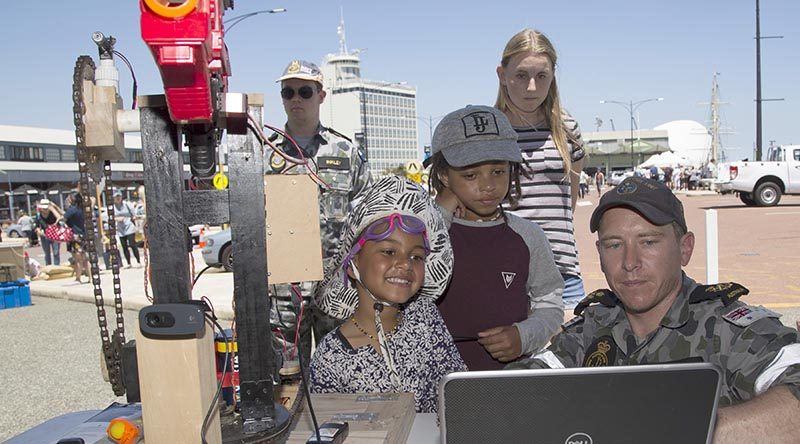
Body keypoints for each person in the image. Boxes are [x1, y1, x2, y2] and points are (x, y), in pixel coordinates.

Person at [508, 176, 800, 442]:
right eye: (613, 245)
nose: (630, 262)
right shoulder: (591, 329)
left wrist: (688, 431)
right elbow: (510, 391)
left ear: (684, 248)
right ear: (599, 254)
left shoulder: (728, 330)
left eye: (648, 242)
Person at [310, 176, 465, 413]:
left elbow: (458, 394)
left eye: (416, 256)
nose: (405, 264)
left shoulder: (424, 318)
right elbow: (328, 428)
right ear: (352, 265)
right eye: (389, 251)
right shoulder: (331, 356)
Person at [428, 105, 564, 370]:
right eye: (470, 175)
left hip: (507, 383)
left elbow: (550, 306)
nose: (488, 184)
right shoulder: (424, 232)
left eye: (498, 171)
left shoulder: (528, 237)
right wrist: (438, 216)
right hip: (431, 384)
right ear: (444, 175)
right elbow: (410, 291)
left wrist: (524, 336)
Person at [267, 59, 372, 363]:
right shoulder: (264, 152)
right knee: (287, 379)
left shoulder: (344, 151)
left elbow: (368, 215)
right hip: (284, 292)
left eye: (304, 91)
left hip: (336, 286)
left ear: (321, 96)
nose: (296, 99)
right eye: (288, 93)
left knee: (341, 373)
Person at [495, 29, 587, 310]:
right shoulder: (491, 131)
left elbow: (568, 200)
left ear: (553, 76)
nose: (532, 87)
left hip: (563, 273)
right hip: (506, 274)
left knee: (570, 354)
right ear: (502, 74)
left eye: (541, 76)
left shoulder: (567, 128)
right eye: (521, 75)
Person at [62, 191, 89, 282]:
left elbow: (63, 218)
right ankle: (90, 277)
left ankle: (78, 277)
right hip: (83, 234)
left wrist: (53, 209)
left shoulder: (72, 210)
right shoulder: (83, 209)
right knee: (85, 257)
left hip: (75, 236)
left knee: (78, 259)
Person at [112, 190, 141, 268]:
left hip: (129, 226)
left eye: (119, 196)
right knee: (124, 246)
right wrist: (116, 219)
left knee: (132, 244)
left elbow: (134, 215)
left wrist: (135, 222)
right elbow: (110, 217)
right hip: (121, 229)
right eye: (116, 197)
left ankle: (138, 261)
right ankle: (128, 263)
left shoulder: (127, 205)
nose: (118, 198)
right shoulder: (113, 207)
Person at [33, 199, 61, 266]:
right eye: (43, 208)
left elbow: (59, 217)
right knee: (47, 253)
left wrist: (53, 209)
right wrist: (38, 230)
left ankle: (56, 266)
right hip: (45, 236)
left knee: (56, 252)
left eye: (46, 208)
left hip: (55, 235)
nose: (45, 210)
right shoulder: (39, 216)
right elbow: (36, 226)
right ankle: (48, 266)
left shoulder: (53, 213)